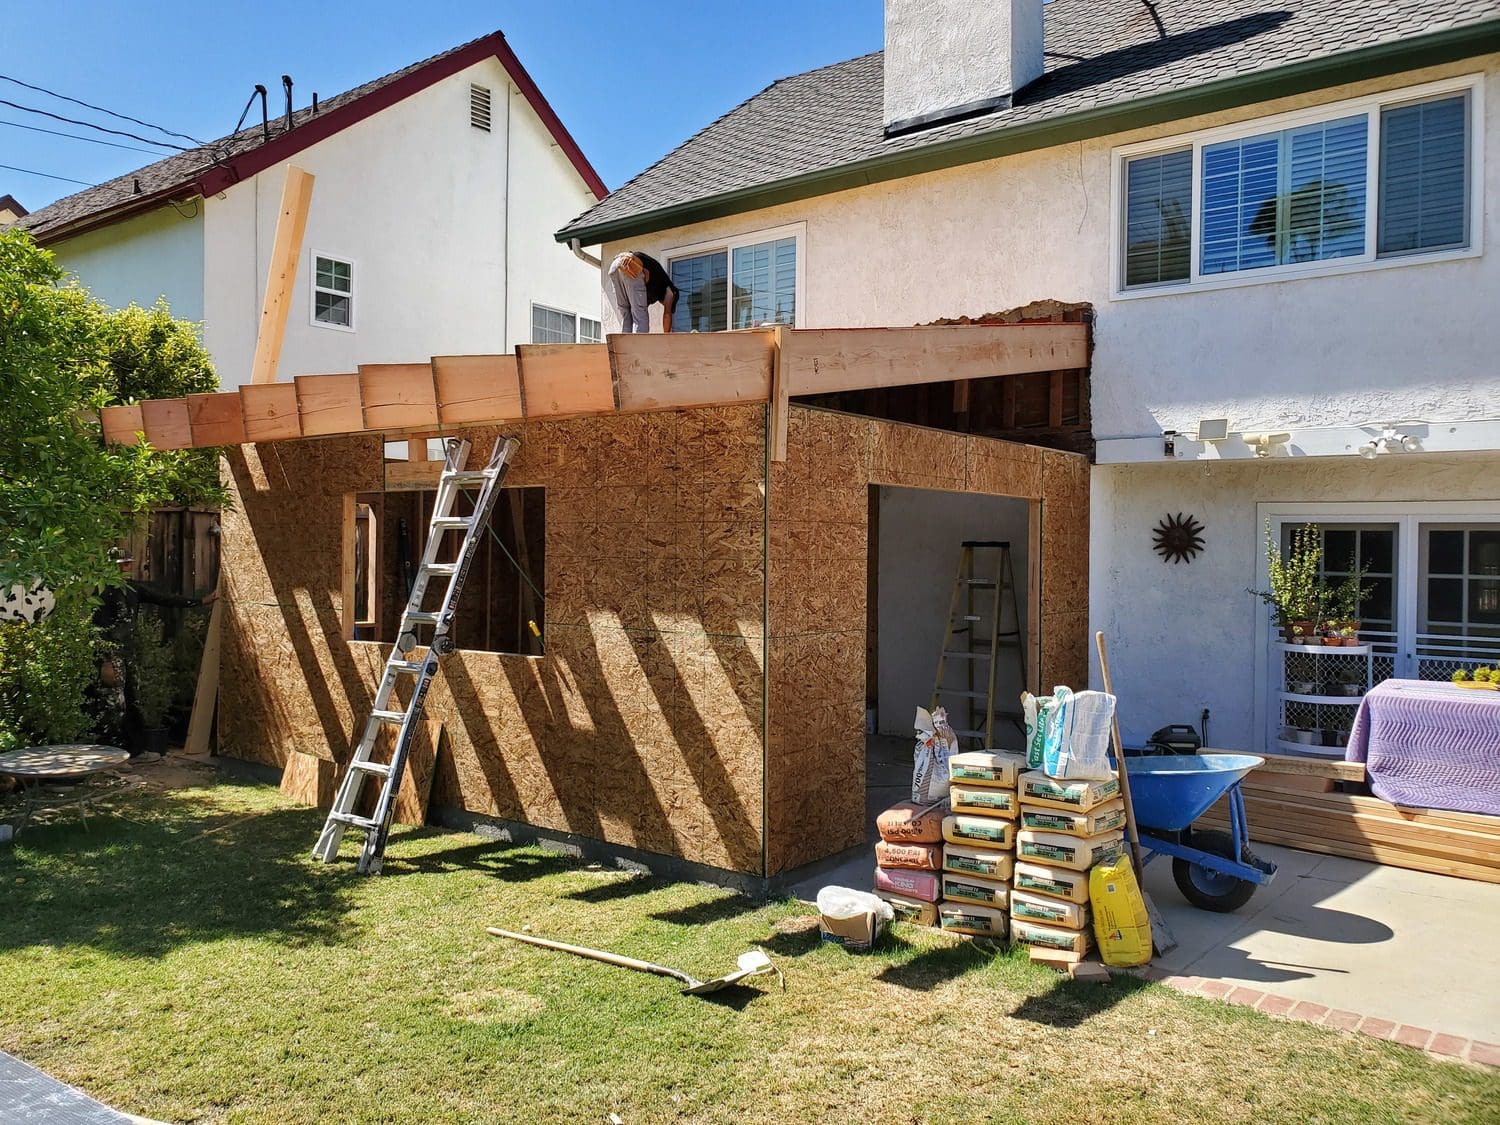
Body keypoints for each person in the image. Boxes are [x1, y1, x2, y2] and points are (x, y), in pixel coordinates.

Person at [91, 549, 217, 754]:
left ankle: (134, 751)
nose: (127, 567)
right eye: (122, 564)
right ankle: (110, 753)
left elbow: (164, 599)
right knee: (114, 705)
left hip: (128, 655)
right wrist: (105, 659)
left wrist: (200, 601)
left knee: (133, 701)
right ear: (111, 566)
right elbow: (97, 627)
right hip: (111, 656)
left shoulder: (133, 589)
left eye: (128, 563)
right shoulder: (102, 592)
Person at [608, 251, 678, 333]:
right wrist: (666, 339)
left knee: (627, 314)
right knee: (640, 316)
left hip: (615, 266)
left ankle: (626, 344)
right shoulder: (669, 289)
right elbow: (667, 315)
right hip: (629, 263)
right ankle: (639, 344)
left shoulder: (652, 295)